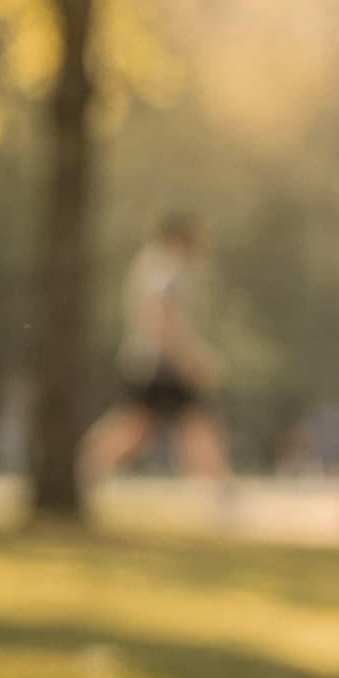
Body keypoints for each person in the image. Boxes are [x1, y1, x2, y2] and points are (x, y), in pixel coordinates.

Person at [78, 212, 234, 503]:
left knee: (138, 427)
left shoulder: (152, 264)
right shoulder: (166, 265)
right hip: (160, 366)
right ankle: (219, 491)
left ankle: (86, 472)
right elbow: (160, 312)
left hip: (150, 362)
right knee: (192, 423)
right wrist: (188, 357)